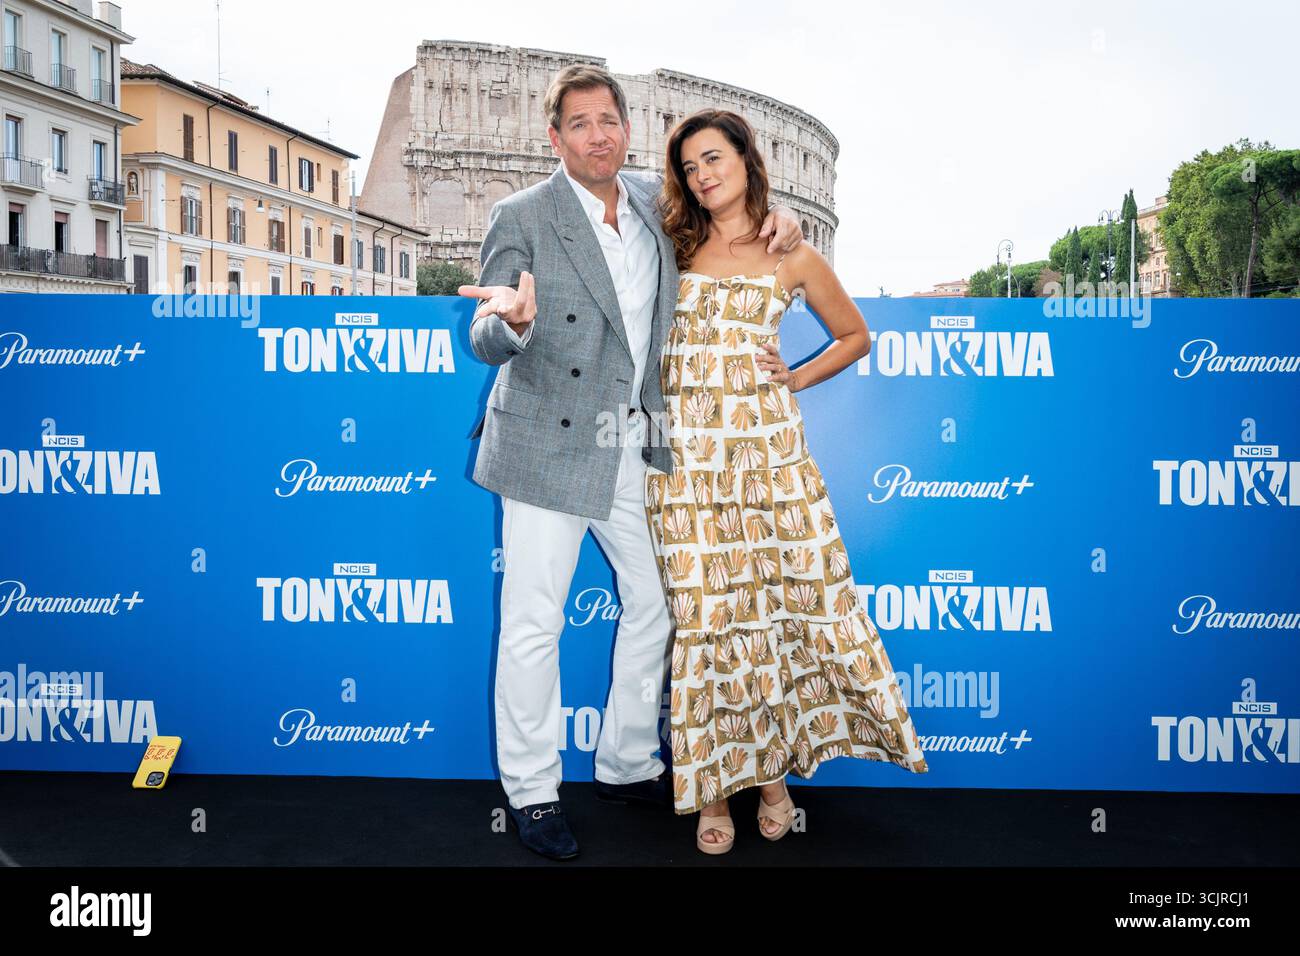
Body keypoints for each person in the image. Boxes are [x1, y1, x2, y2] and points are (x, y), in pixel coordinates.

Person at [459, 67, 803, 861]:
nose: (598, 134)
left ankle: (623, 762)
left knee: (659, 602)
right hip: (547, 445)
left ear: (625, 128)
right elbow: (485, 329)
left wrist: (780, 220)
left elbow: (734, 218)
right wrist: (508, 324)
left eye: (609, 120)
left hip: (633, 444)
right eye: (579, 123)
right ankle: (533, 791)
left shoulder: (655, 199)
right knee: (533, 625)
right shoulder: (523, 213)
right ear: (555, 137)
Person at [645, 109, 930, 855]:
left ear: (746, 157)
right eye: (690, 167)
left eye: (714, 158)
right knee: (708, 624)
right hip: (687, 467)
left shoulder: (789, 251)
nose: (703, 175)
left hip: (771, 462)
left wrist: (794, 377)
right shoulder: (668, 241)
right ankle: (712, 787)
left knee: (777, 615)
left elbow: (856, 333)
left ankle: (771, 779)